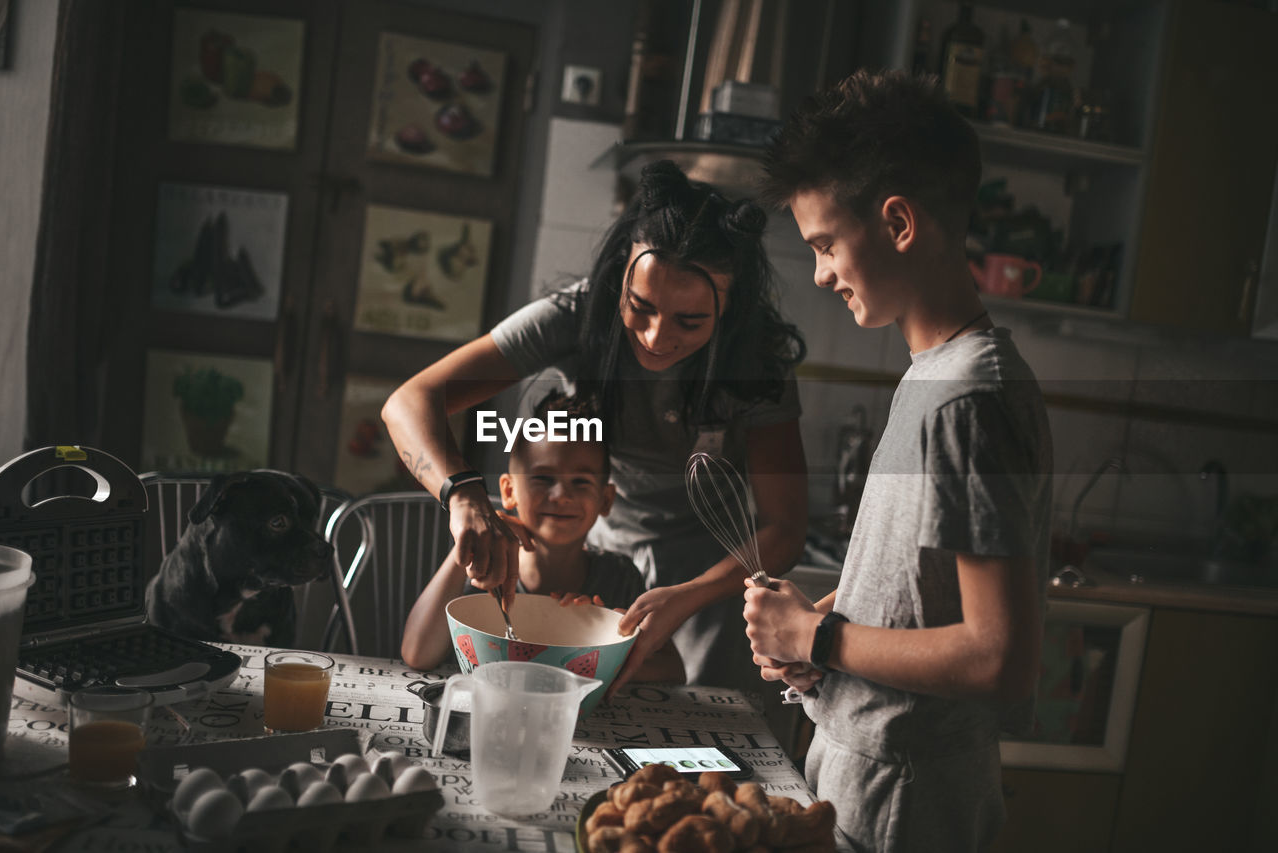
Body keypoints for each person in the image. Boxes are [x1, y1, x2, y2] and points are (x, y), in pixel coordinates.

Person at [742, 70, 1053, 851]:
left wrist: (818, 640)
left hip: (906, 800)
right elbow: (922, 601)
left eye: (824, 244)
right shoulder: (934, 375)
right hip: (874, 774)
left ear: (899, 223)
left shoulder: (967, 397)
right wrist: (817, 631)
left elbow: (999, 656)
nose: (819, 273)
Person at [383, 160, 808, 694]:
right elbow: (408, 401)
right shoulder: (575, 316)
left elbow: (785, 526)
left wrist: (690, 594)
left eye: (690, 321)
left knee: (695, 718)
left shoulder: (758, 359)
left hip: (712, 565)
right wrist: (464, 496)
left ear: (731, 310)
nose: (656, 337)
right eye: (640, 306)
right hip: (601, 547)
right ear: (618, 280)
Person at [400, 391, 683, 681]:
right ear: (509, 491)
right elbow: (417, 653)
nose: (561, 495)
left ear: (606, 500)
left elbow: (674, 672)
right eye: (543, 479)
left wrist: (603, 648)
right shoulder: (484, 570)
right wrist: (468, 546)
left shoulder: (619, 576)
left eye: (581, 482)